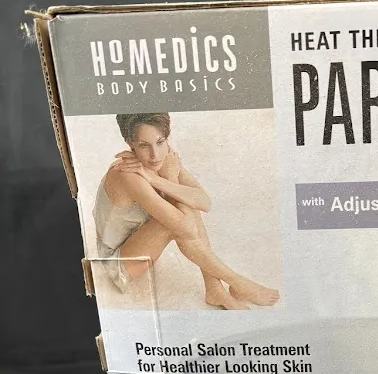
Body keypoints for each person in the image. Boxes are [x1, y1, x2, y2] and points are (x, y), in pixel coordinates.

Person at [93, 112, 279, 310]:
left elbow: (204, 202)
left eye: (160, 142)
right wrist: (170, 179)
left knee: (187, 205)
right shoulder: (127, 174)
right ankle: (238, 283)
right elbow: (186, 229)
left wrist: (155, 179)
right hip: (118, 265)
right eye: (144, 145)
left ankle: (214, 288)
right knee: (176, 220)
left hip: (140, 246)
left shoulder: (159, 160)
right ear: (130, 143)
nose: (155, 155)